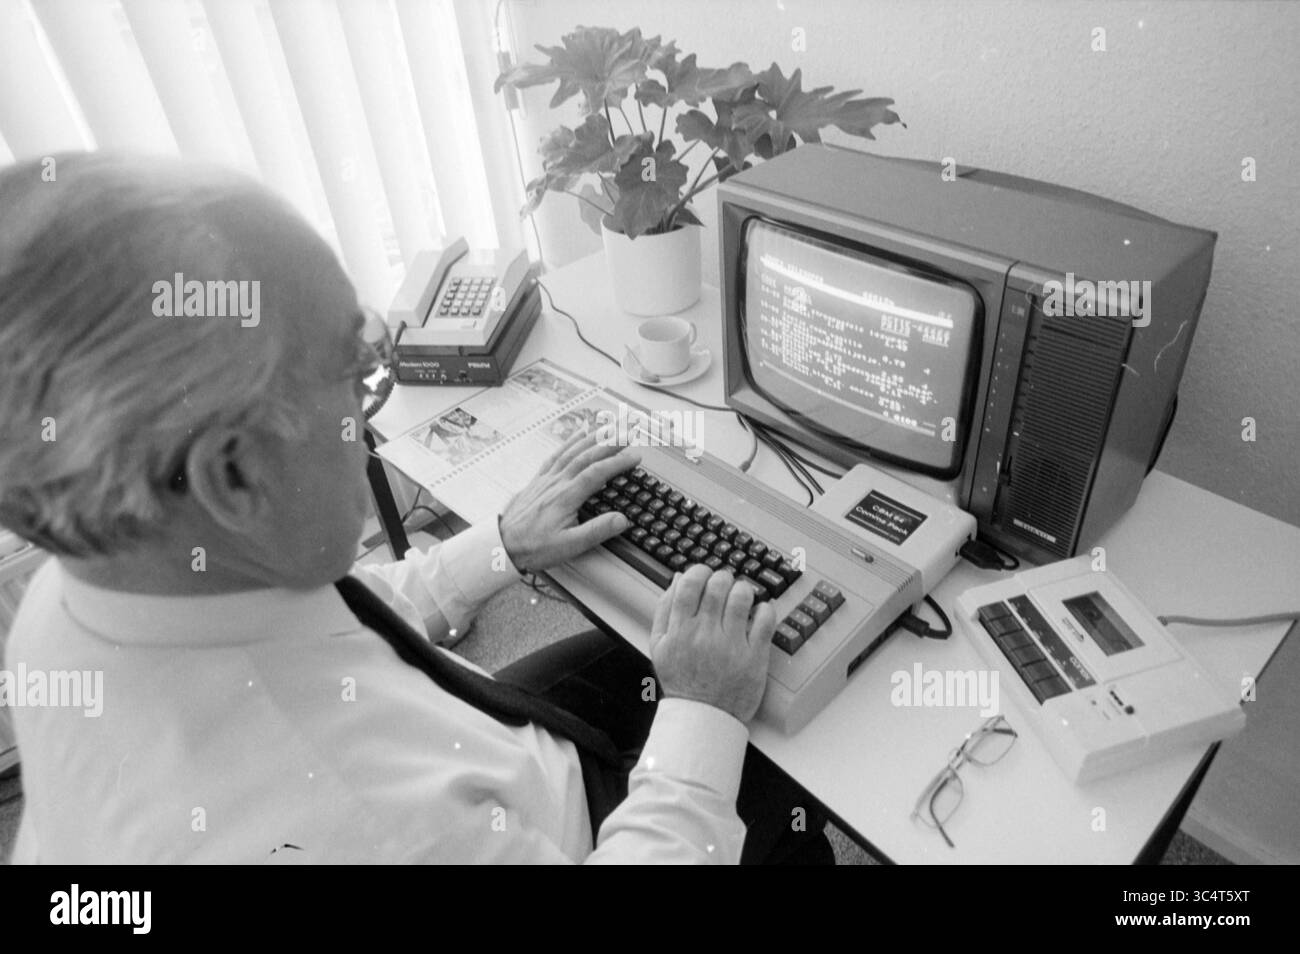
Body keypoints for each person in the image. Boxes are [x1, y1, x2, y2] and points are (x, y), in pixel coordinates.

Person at [0, 154, 831, 864]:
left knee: (638, 651)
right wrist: (700, 718)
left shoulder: (86, 590)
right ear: (234, 476)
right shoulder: (356, 825)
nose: (371, 402)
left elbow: (320, 630)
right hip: (586, 833)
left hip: (499, 746)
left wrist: (499, 546)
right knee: (786, 763)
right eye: (354, 373)